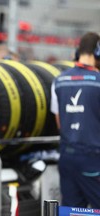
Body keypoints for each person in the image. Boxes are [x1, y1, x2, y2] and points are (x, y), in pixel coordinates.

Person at [50, 32, 100, 208]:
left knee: (71, 210)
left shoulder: (59, 80)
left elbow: (59, 124)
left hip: (67, 157)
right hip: (94, 158)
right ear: (98, 51)